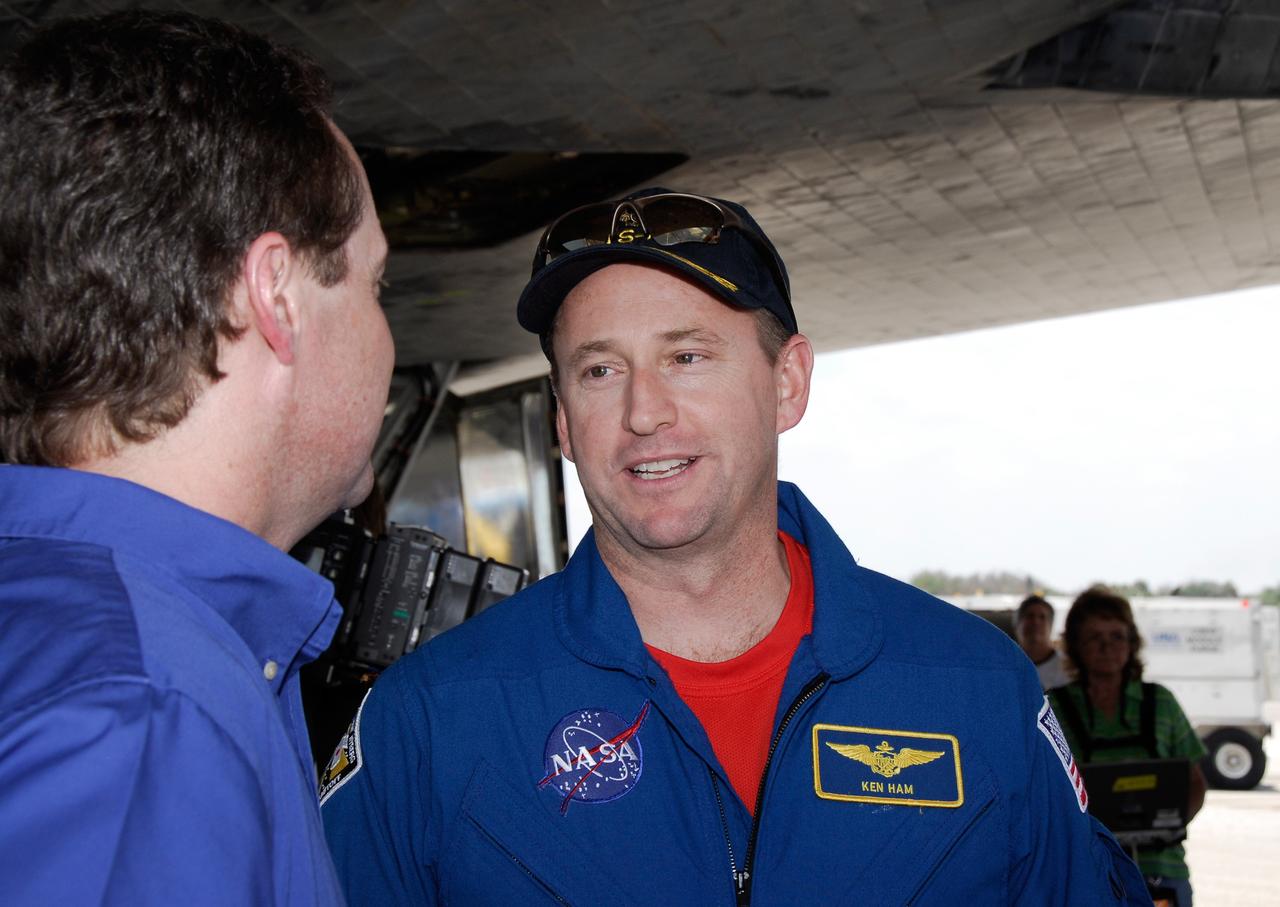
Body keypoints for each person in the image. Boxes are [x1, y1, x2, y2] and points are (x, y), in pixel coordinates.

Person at [320, 189, 1149, 904]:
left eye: (687, 356)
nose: (645, 412)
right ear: (563, 421)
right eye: (600, 371)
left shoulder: (977, 692)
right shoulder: (428, 722)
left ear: (788, 383)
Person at [0, 10, 394, 904]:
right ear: (276, 297)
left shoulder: (76, 632)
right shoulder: (141, 717)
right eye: (376, 284)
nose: (384, 334)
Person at [1049, 586, 1207, 907]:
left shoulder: (1161, 702)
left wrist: (1167, 827)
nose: (1106, 647)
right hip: (1085, 873)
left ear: (1132, 643)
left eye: (1117, 636)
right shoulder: (1055, 709)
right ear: (1075, 645)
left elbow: (1195, 783)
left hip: (1161, 870)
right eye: (1095, 637)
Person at [1017, 594, 1071, 689]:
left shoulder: (1067, 668)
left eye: (1042, 617)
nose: (1036, 622)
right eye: (1030, 616)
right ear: (1018, 624)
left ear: (1051, 626)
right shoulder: (1002, 665)